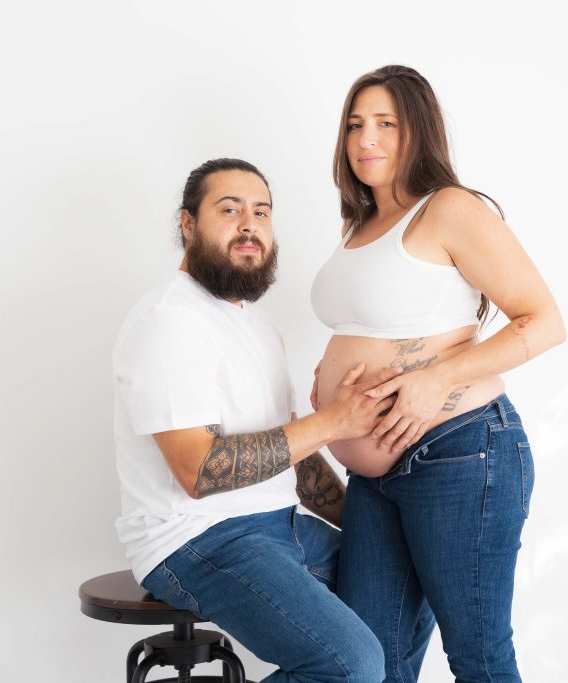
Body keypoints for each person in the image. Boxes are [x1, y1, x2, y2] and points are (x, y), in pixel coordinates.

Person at [309, 66, 566, 683]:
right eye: (354, 125)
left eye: (386, 124)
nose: (366, 138)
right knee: (372, 666)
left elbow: (545, 321)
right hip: (376, 477)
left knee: (477, 658)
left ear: (417, 131)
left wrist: (435, 379)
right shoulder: (360, 226)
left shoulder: (449, 209)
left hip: (458, 450)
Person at [113, 158, 400, 683]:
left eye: (261, 212)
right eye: (229, 209)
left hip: (283, 526)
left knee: (401, 585)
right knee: (351, 665)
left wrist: (363, 525)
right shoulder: (170, 321)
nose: (249, 224)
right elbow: (199, 472)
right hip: (197, 538)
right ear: (187, 225)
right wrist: (335, 421)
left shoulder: (259, 325)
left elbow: (292, 455)